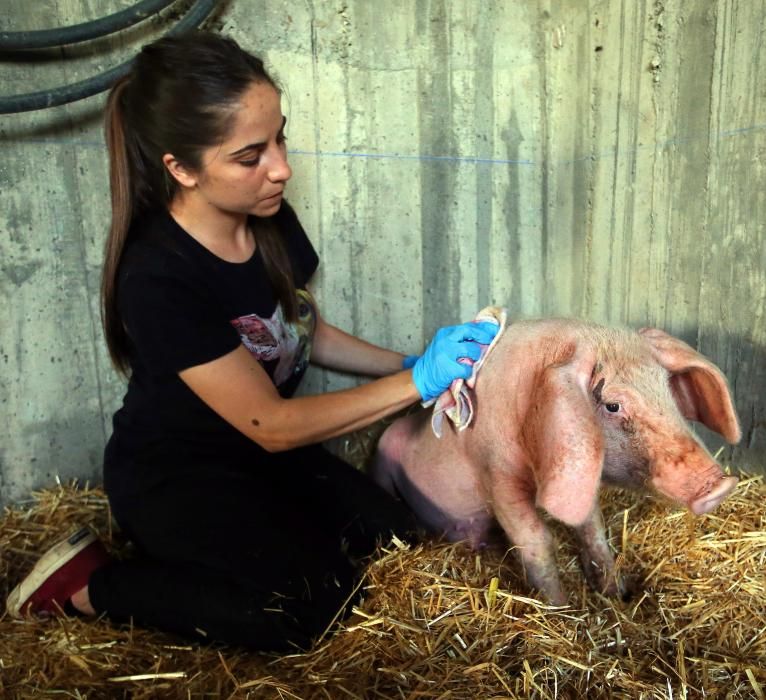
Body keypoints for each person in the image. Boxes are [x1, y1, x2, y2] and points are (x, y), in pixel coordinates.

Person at [6, 31, 498, 652]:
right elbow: (272, 423)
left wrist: (408, 360)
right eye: (250, 156)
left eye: (280, 137)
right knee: (308, 612)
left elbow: (296, 329)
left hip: (261, 460)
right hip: (180, 476)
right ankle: (93, 588)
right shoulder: (158, 276)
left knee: (393, 541)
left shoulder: (267, 217)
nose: (282, 167)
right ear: (180, 168)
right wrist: (416, 381)